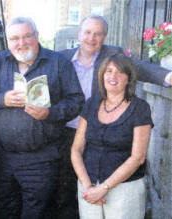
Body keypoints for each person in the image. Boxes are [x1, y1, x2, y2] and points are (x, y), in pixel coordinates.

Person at [58, 14, 172, 219]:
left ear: (105, 37)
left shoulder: (112, 55)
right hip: (66, 134)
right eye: (88, 33)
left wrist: (166, 76)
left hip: (105, 132)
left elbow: (138, 67)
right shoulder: (61, 58)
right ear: (79, 34)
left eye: (98, 34)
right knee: (65, 195)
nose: (92, 38)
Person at [0, 17, 84, 219]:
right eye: (14, 38)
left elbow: (76, 101)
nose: (21, 43)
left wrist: (50, 112)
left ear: (36, 36)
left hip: (41, 157)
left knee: (37, 212)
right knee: (5, 210)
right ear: (8, 41)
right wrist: (3, 99)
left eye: (27, 36)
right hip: (5, 158)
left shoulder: (58, 63)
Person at [71, 53, 153, 219]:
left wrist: (103, 188)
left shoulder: (140, 108)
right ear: (102, 75)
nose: (113, 76)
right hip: (88, 187)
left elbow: (138, 157)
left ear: (129, 78)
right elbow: (76, 149)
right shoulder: (91, 104)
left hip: (124, 190)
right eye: (108, 71)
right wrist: (88, 187)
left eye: (120, 72)